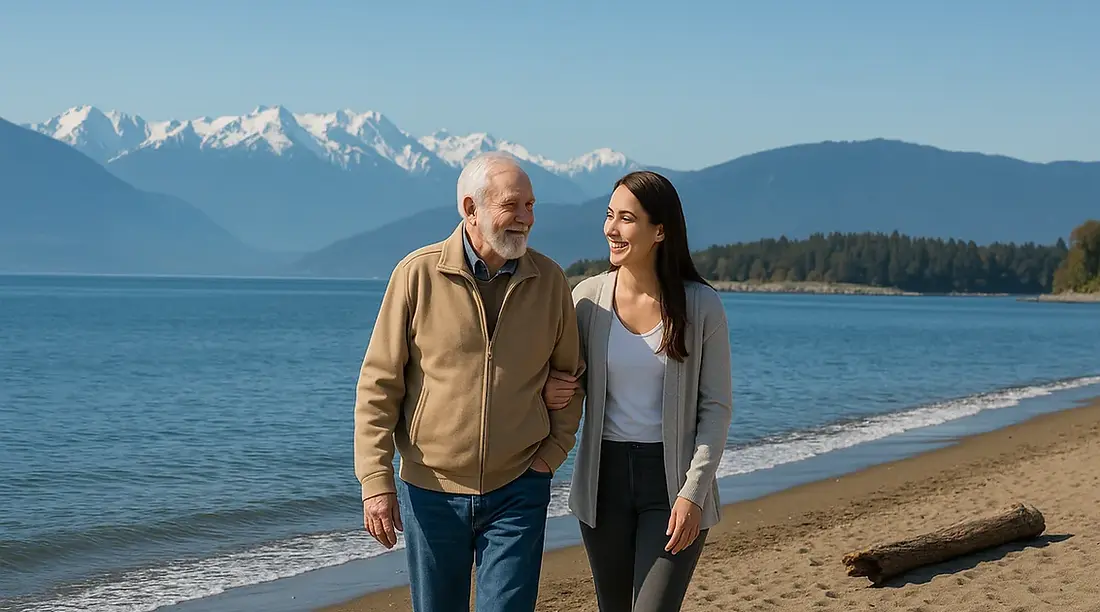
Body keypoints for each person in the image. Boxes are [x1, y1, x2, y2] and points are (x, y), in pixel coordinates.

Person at [353, 151, 586, 612]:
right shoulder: (416, 275)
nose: (526, 218)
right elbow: (379, 385)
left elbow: (570, 378)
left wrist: (550, 457)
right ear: (470, 209)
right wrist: (375, 481)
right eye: (512, 205)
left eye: (531, 206)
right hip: (430, 490)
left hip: (519, 486)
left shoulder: (550, 281)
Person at [542, 170, 733, 612]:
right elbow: (563, 374)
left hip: (671, 485)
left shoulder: (701, 306)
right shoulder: (587, 299)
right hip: (602, 482)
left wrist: (693, 493)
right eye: (609, 216)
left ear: (660, 230)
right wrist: (551, 387)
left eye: (627, 218)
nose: (612, 228)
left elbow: (717, 409)